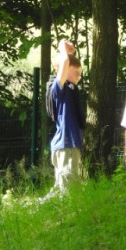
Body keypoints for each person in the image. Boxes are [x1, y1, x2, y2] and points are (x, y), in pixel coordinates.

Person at [43, 40, 85, 201]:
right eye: (77, 72)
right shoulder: (58, 88)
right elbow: (65, 62)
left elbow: (67, 62)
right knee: (70, 190)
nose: (79, 76)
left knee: (62, 187)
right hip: (66, 144)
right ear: (63, 69)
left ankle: (39, 207)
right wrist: (63, 48)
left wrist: (71, 54)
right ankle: (69, 213)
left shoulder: (69, 90)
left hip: (68, 145)